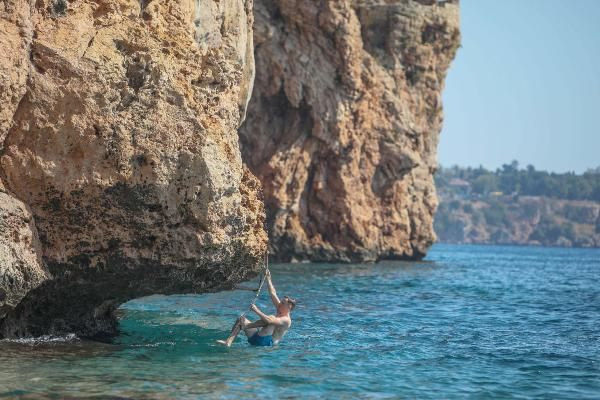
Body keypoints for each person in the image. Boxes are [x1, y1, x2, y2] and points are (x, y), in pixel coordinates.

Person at [217, 269, 295, 347]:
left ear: (289, 307)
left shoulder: (286, 320)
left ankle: (246, 326)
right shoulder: (280, 307)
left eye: (282, 303)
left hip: (266, 343)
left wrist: (256, 310)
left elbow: (270, 321)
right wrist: (268, 278)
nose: (280, 303)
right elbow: (273, 293)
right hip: (256, 337)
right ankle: (228, 342)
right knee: (241, 319)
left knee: (271, 319)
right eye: (281, 302)